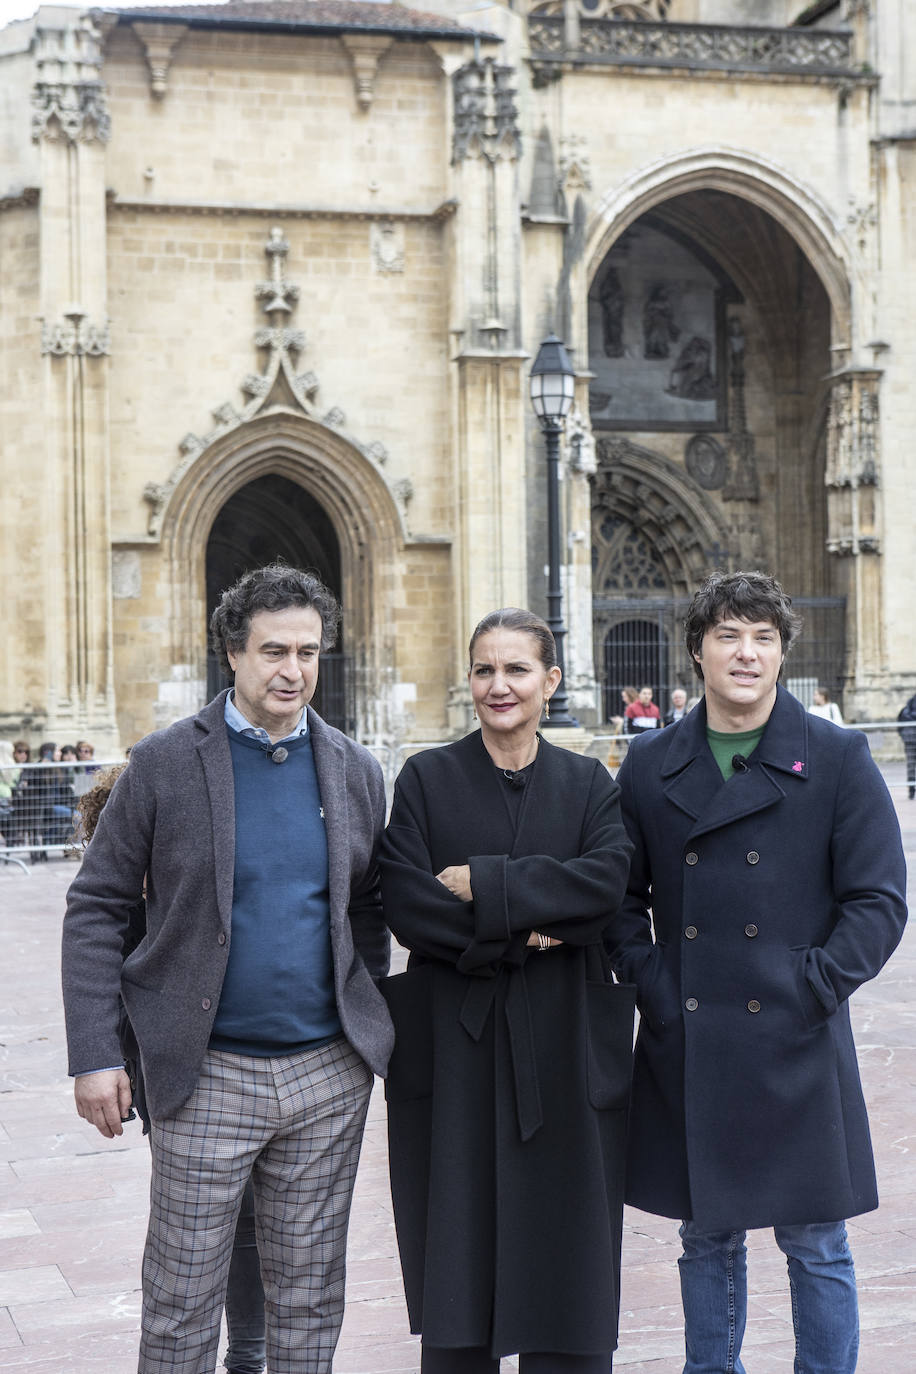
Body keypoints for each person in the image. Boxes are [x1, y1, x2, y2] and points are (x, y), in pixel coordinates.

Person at [62, 563, 394, 1374]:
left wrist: (367, 1029)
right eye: (274, 650)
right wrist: (97, 1055)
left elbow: (369, 911)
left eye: (310, 652)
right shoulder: (167, 764)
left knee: (310, 1301)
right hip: (205, 1073)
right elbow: (97, 906)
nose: (294, 670)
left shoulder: (354, 769)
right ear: (233, 656)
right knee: (180, 1305)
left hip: (326, 1078)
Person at [610, 570, 908, 1374]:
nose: (746, 653)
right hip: (693, 1035)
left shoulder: (838, 757)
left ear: (781, 653)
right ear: (698, 652)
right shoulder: (647, 764)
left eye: (764, 638)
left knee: (816, 1239)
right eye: (729, 636)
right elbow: (618, 901)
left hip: (798, 1037)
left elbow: (880, 900)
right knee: (705, 1237)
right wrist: (658, 986)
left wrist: (812, 984)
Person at [379, 607, 636, 1374]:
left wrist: (487, 887)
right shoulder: (426, 779)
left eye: (517, 670)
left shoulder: (588, 782)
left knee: (569, 1257)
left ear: (549, 681)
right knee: (457, 1247)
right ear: (469, 680)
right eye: (485, 669)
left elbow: (606, 886)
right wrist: (534, 926)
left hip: (563, 1040)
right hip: (458, 1044)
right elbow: (409, 905)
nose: (500, 685)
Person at [76, 763, 268, 1374]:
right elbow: (107, 962)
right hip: (168, 1066)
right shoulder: (132, 890)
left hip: (227, 1056)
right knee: (198, 1228)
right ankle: (220, 1353)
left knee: (242, 1222)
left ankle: (248, 1354)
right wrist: (106, 1060)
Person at [896, 691, 916, 800]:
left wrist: (903, 735)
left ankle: (911, 789)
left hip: (909, 739)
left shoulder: (906, 709)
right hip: (910, 739)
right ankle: (912, 788)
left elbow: (900, 725)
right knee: (911, 765)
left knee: (911, 765)